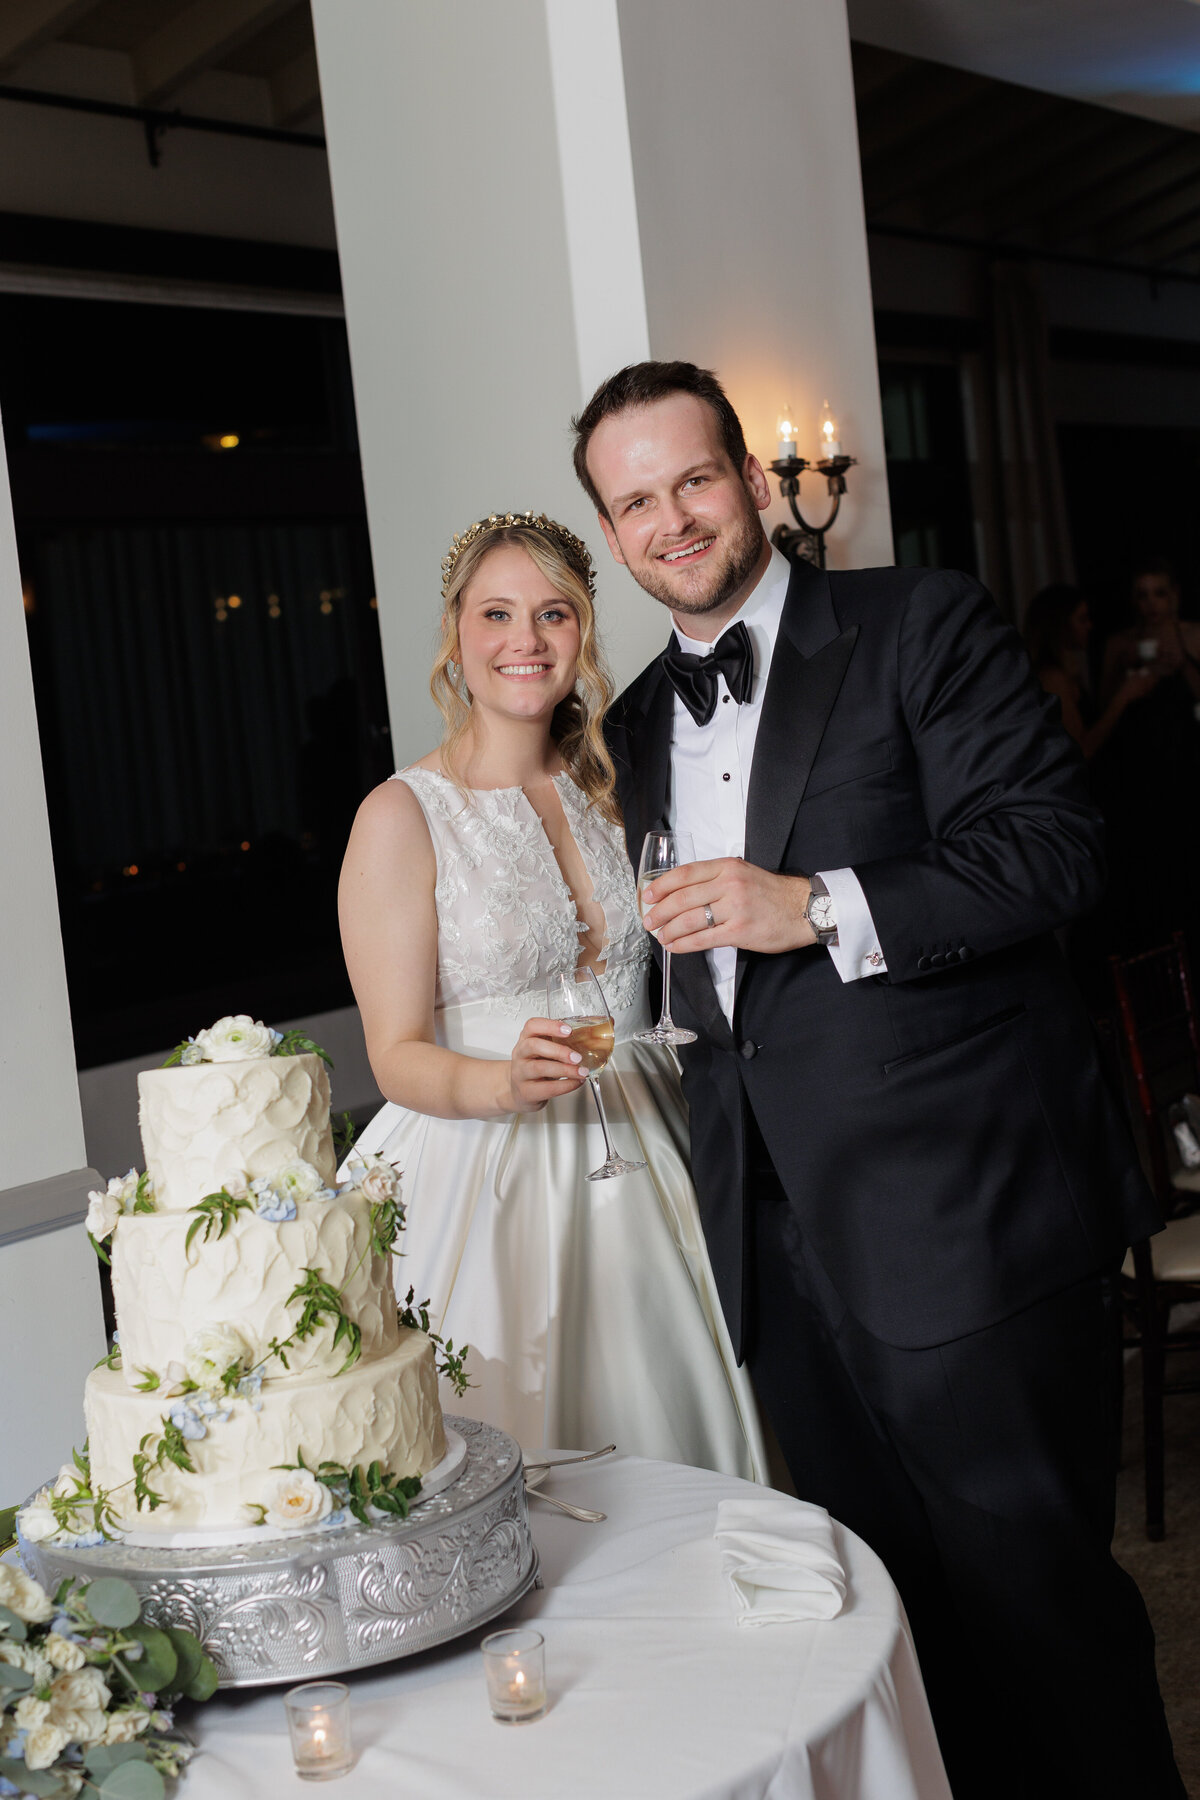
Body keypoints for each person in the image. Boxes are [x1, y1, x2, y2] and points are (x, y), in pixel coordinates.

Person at [572, 361, 1182, 1800]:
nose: (673, 519)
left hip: (963, 1215)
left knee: (1042, 1609)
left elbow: (1054, 850)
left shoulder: (916, 623)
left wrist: (817, 904)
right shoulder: (642, 721)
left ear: (750, 480)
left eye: (694, 479)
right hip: (773, 1243)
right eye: (635, 501)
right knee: (887, 1624)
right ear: (611, 531)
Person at [338, 509, 765, 1481]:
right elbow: (394, 1053)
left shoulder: (623, 783)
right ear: (456, 634)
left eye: (554, 614)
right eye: (496, 614)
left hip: (660, 1138)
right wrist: (503, 1085)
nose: (524, 642)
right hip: (479, 1164)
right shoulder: (401, 817)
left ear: (585, 631)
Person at [1093, 558, 1200, 950]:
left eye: (1159, 593)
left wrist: (1183, 663)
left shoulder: (1192, 634)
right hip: (1139, 773)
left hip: (1186, 765)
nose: (1151, 604)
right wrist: (1127, 674)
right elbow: (1103, 709)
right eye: (1143, 595)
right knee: (1151, 872)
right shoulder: (1120, 643)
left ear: (1174, 596)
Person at [1024, 581, 1154, 759]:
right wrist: (1124, 696)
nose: (1089, 626)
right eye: (1082, 619)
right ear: (1062, 624)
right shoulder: (1052, 678)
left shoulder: (1066, 672)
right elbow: (1081, 748)